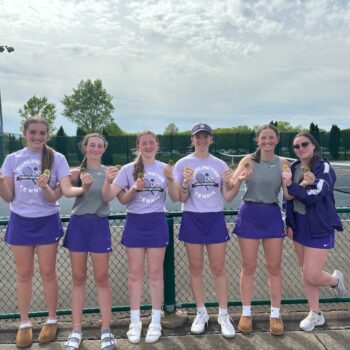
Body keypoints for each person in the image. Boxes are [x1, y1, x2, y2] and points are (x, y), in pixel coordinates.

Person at [0, 116, 90, 348]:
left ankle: (51, 319)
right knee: (24, 274)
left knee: (48, 272)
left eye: (42, 133)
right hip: (20, 221)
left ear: (47, 135)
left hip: (47, 221)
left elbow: (63, 191)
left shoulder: (56, 158)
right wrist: (1, 182)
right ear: (24, 133)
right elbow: (9, 197)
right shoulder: (12, 159)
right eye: (33, 132)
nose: (37, 136)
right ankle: (24, 323)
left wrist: (81, 187)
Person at [102, 131, 178, 344]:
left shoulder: (164, 169)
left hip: (156, 222)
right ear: (138, 146)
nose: (147, 146)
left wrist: (171, 180)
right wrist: (131, 187)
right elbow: (113, 198)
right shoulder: (128, 169)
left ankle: (156, 320)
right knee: (135, 274)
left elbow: (174, 197)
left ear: (157, 144)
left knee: (155, 274)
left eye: (151, 142)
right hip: (135, 222)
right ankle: (135, 322)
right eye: (143, 143)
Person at [173, 123, 244, 339]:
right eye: (198, 137)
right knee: (195, 268)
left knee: (218, 268)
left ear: (211, 139)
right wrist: (185, 183)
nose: (202, 140)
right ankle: (201, 312)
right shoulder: (182, 164)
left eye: (205, 136)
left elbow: (228, 197)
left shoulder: (220, 164)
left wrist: (237, 182)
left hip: (215, 218)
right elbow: (180, 198)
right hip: (192, 218)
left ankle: (223, 314)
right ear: (192, 139)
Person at [282, 132, 345, 332]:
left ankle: (335, 280)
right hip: (299, 226)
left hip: (319, 225)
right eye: (296, 146)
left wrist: (293, 186)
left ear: (314, 146)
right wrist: (289, 223)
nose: (300, 149)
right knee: (306, 273)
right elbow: (287, 200)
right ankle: (315, 313)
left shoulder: (323, 167)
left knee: (312, 273)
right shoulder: (293, 168)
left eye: (304, 144)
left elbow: (315, 195)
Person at [232, 124, 289, 336]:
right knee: (248, 267)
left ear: (277, 140)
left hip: (272, 215)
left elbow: (288, 195)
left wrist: (290, 183)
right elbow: (231, 183)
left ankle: (275, 314)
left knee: (274, 267)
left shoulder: (283, 163)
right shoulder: (248, 160)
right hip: (249, 215)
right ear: (258, 140)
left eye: (271, 137)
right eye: (263, 137)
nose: (267, 141)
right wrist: (240, 177)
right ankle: (246, 312)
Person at [62, 134, 117, 350]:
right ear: (85, 147)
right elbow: (66, 192)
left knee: (102, 278)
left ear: (104, 149)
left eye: (99, 146)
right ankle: (76, 330)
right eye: (91, 145)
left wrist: (110, 181)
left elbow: (106, 198)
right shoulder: (75, 173)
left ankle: (106, 330)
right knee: (78, 278)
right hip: (78, 226)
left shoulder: (110, 172)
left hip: (99, 225)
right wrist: (83, 187)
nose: (95, 149)